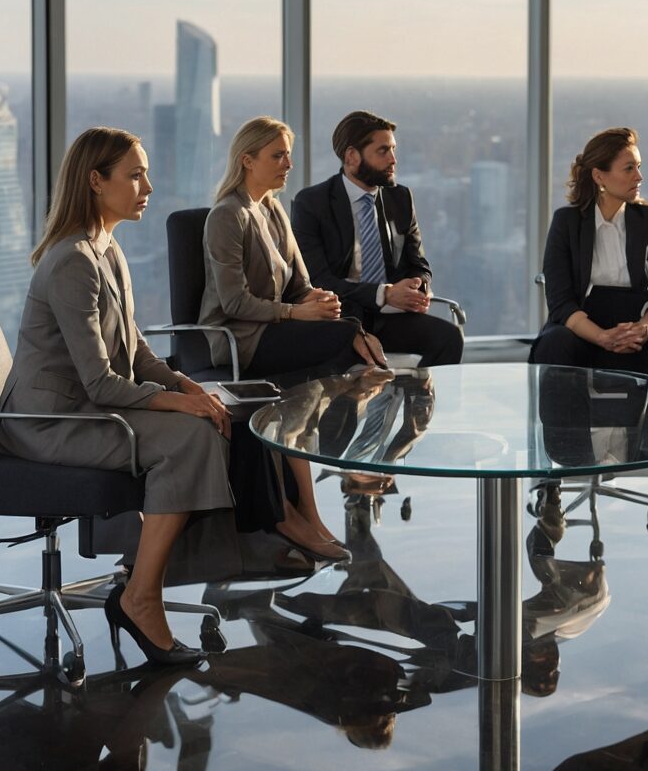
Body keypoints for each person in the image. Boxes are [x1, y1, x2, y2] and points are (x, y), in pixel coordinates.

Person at [0, 127, 234, 666]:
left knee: (206, 421)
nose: (147, 184)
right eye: (135, 174)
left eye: (145, 172)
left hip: (88, 410)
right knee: (190, 440)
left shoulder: (106, 246)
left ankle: (141, 578)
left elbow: (136, 347)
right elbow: (101, 382)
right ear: (96, 181)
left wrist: (186, 386)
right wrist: (178, 405)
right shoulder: (73, 260)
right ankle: (141, 596)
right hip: (53, 422)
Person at [199, 115, 387, 563]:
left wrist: (318, 301)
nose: (288, 163)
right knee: (344, 343)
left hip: (279, 328)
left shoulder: (273, 209)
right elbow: (233, 303)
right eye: (277, 155)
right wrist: (298, 313)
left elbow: (301, 283)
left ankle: (305, 509)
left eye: (289, 154)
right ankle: (324, 483)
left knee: (324, 362)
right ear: (247, 160)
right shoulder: (227, 215)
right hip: (240, 337)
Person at [529, 127, 648, 386]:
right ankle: (564, 429)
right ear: (599, 176)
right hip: (584, 334)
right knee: (556, 344)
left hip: (639, 332)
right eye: (629, 169)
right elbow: (560, 301)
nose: (639, 176)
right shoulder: (566, 222)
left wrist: (644, 328)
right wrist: (602, 337)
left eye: (639, 167)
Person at [290, 110, 464, 367]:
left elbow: (419, 263)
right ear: (352, 156)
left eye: (393, 149)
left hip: (391, 317)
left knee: (448, 338)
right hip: (342, 319)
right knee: (340, 360)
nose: (393, 159)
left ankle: (420, 406)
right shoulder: (313, 203)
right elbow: (317, 280)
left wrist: (418, 288)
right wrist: (384, 293)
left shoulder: (400, 198)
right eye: (383, 151)